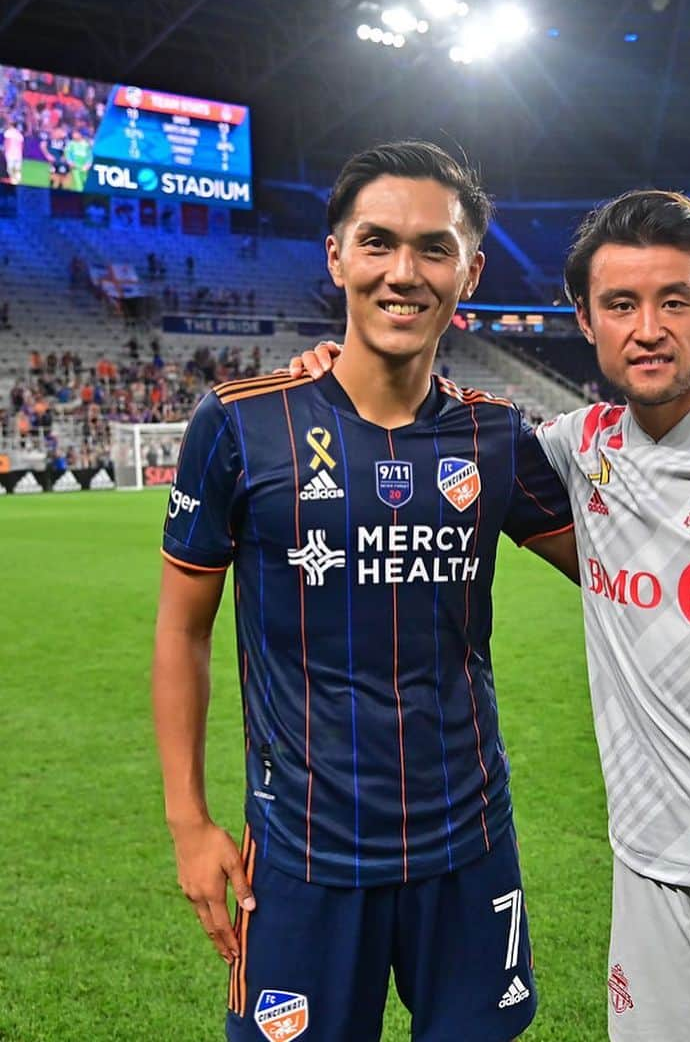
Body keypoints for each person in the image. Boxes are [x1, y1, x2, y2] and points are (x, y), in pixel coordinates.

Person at [296, 189, 690, 1041]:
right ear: (586, 320)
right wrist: (342, 376)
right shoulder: (579, 449)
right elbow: (440, 442)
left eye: (674, 300)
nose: (648, 327)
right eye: (621, 304)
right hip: (645, 868)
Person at [153, 141, 577, 1042]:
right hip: (303, 860)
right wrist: (189, 821)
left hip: (469, 848)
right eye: (378, 241)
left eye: (434, 248)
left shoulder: (497, 439)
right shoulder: (239, 424)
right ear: (337, 254)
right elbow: (183, 631)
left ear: (471, 270)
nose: (404, 272)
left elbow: (626, 572)